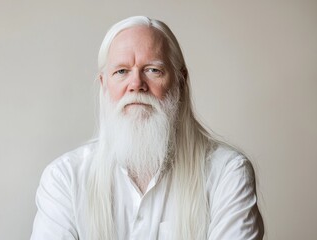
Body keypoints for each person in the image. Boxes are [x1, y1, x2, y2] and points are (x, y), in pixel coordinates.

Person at [30, 16, 264, 240]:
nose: (136, 85)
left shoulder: (227, 174)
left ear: (180, 82)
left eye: (153, 70)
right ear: (104, 85)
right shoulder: (64, 179)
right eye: (121, 71)